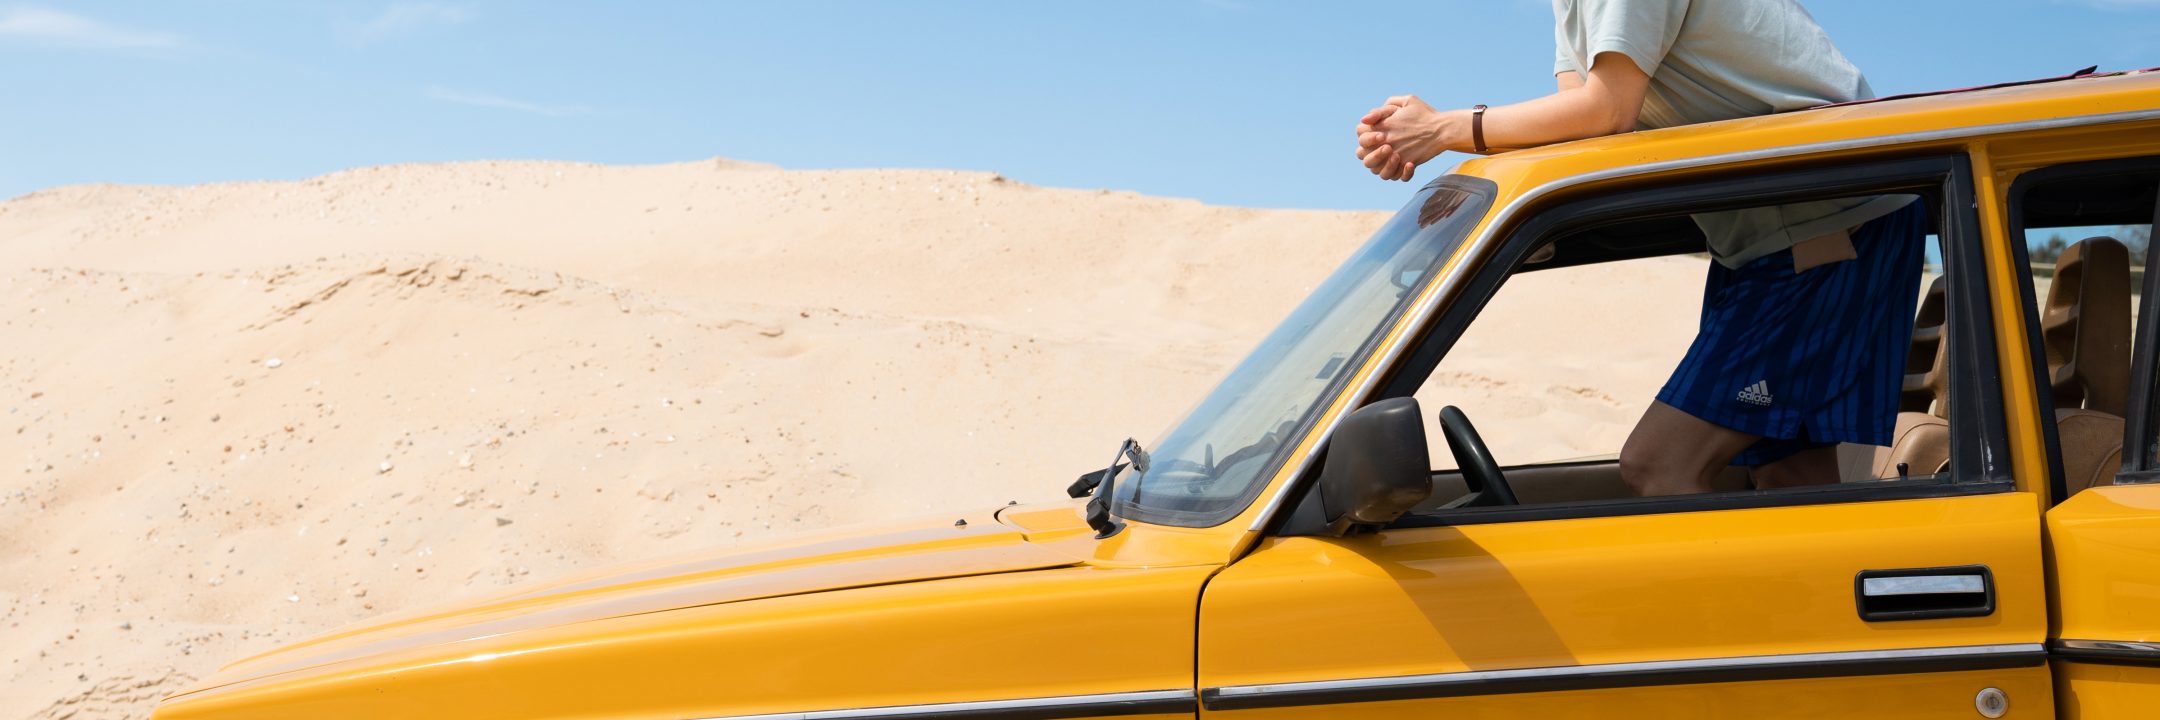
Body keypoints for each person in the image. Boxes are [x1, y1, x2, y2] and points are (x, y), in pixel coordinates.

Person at [1354, 0, 1925, 496]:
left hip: (1828, 220)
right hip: (1761, 235)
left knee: (1661, 465)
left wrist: (1443, 130)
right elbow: (1580, 126)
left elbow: (1607, 111)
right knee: (1790, 476)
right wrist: (1428, 142)